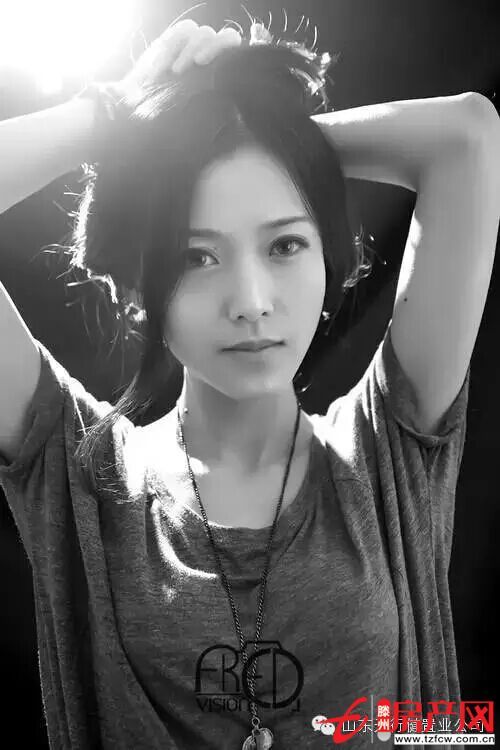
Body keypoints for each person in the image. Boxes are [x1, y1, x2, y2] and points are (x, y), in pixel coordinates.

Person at [0, 14, 499, 750]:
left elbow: (468, 135)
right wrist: (117, 116)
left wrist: (268, 132)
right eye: (196, 257)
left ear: (329, 260)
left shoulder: (386, 454)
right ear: (137, 287)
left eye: (285, 244)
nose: (252, 300)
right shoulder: (83, 480)